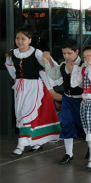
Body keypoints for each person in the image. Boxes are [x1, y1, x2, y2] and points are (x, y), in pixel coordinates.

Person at [5, 27, 61, 157]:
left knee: (26, 113)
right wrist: (16, 78)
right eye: (18, 38)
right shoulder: (11, 54)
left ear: (30, 40)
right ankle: (37, 141)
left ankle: (21, 145)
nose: (20, 41)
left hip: (34, 87)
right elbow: (11, 68)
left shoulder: (36, 53)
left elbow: (49, 67)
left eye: (23, 39)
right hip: (20, 87)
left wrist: (48, 59)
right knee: (20, 113)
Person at [43, 39, 91, 165]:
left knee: (84, 126)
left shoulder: (84, 65)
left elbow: (86, 85)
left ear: (77, 52)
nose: (66, 56)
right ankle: (69, 154)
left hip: (81, 100)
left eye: (69, 53)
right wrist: (46, 63)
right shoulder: (63, 65)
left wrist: (73, 72)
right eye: (64, 53)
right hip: (67, 99)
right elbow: (54, 75)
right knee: (67, 125)